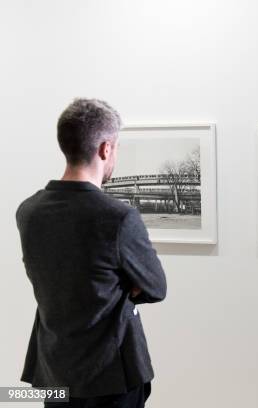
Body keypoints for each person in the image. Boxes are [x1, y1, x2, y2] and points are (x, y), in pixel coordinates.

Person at [15, 98, 167, 407]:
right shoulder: (119, 217)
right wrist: (125, 284)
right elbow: (156, 287)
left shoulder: (28, 211)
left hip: (54, 372)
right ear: (105, 149)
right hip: (111, 375)